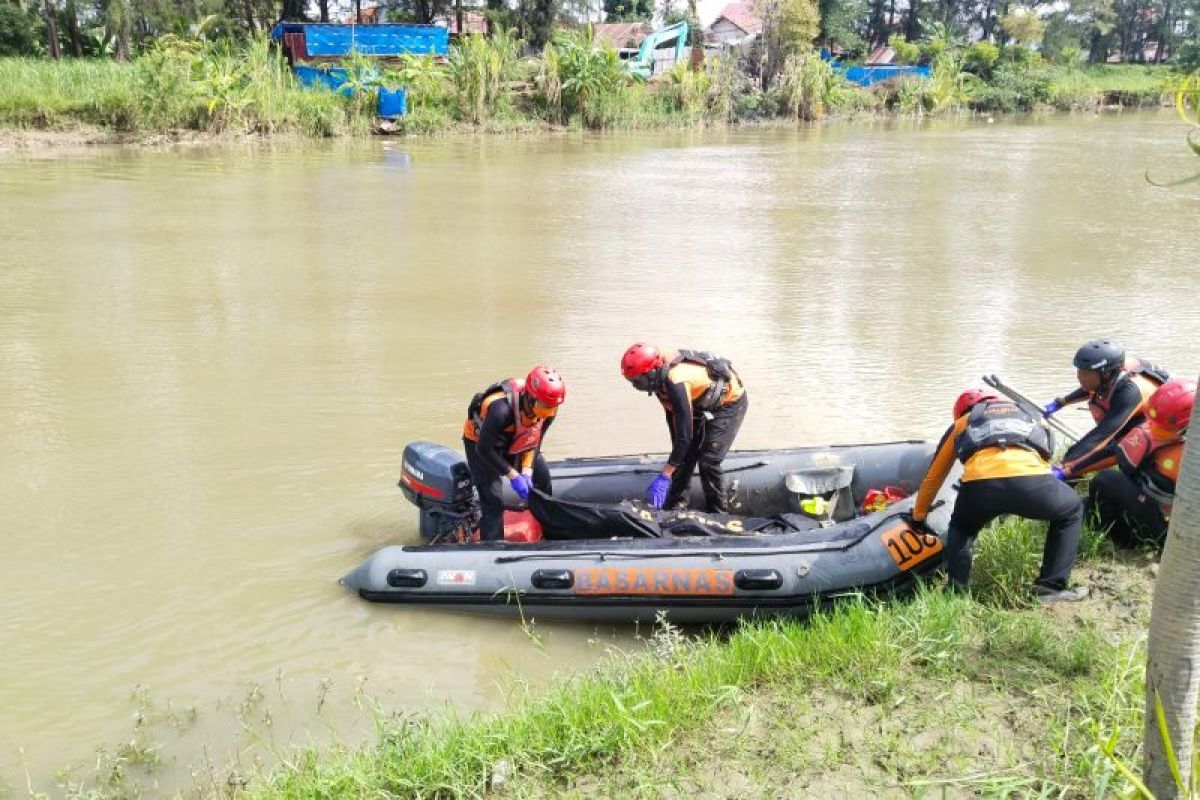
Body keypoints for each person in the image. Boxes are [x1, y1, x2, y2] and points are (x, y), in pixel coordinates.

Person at [911, 389, 1087, 603]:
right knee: (1072, 509)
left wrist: (918, 517)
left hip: (980, 486)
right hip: (1032, 482)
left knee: (961, 529)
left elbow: (934, 477)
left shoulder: (963, 422)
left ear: (962, 412)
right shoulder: (1029, 414)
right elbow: (1045, 454)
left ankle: (956, 592)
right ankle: (1051, 588)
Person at [620, 343, 748, 512]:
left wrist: (666, 474)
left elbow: (684, 437)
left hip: (729, 402)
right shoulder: (658, 380)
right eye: (631, 381)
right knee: (683, 456)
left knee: (709, 460)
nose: (635, 386)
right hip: (697, 400)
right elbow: (675, 424)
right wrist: (676, 458)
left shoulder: (676, 382)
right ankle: (678, 505)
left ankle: (719, 512)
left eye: (637, 380)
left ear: (651, 372)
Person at [1085, 378, 1195, 551]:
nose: (1152, 427)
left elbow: (1123, 462)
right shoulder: (1182, 448)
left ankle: (1121, 541)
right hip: (1166, 517)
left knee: (1105, 479)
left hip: (1165, 530)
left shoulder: (1181, 455)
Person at [461, 366, 566, 541]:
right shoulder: (500, 411)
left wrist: (527, 470)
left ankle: (550, 533)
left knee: (542, 474)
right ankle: (492, 550)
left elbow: (536, 440)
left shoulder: (548, 412)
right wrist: (512, 474)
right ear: (530, 398)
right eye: (545, 407)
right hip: (481, 444)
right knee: (492, 500)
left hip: (516, 437)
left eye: (553, 408)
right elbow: (484, 449)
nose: (549, 412)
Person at [1045, 338, 1168, 480]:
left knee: (1115, 448)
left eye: (1085, 373)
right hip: (1130, 410)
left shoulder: (1130, 391)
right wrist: (1061, 402)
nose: (1079, 377)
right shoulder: (1111, 372)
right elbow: (1092, 387)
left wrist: (1066, 466)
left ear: (1107, 374)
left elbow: (1103, 434)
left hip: (1155, 421)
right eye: (1079, 371)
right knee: (1076, 455)